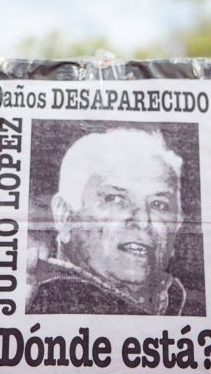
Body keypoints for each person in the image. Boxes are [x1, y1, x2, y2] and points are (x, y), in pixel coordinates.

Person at [29, 127, 199, 315]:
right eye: (115, 199)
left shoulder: (189, 307)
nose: (143, 221)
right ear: (65, 216)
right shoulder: (34, 302)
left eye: (159, 204)